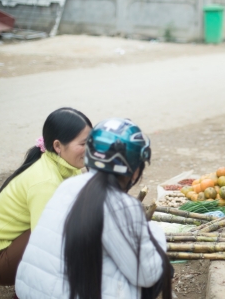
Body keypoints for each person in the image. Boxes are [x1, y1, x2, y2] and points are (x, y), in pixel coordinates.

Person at [15, 118, 173, 299]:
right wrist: (154, 232)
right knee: (161, 269)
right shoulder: (121, 206)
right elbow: (147, 275)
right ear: (135, 168)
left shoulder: (68, 185)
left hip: (27, 292)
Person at [0, 108, 92, 286]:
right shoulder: (45, 182)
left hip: (16, 243)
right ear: (57, 146)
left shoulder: (67, 164)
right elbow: (47, 241)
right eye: (83, 144)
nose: (90, 149)